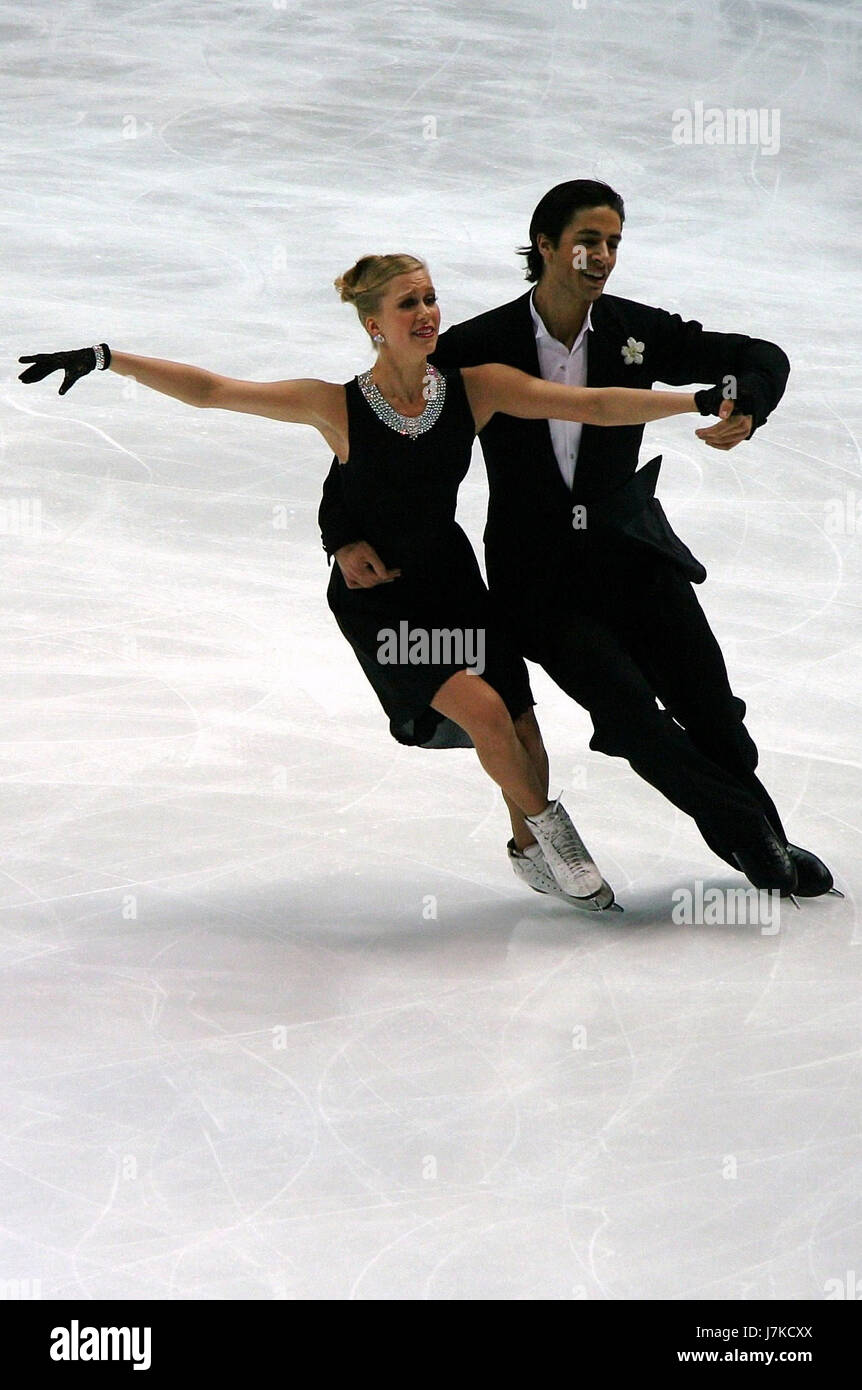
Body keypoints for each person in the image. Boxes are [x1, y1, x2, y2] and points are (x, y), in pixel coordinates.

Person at [18, 252, 733, 912]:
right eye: (406, 304)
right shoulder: (335, 406)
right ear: (373, 326)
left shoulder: (474, 390)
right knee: (484, 713)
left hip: (453, 582)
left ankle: (527, 848)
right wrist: (110, 358)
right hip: (382, 603)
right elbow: (213, 392)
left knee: (522, 727)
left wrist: (694, 401)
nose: (426, 312)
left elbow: (591, 405)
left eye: (430, 298)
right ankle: (560, 840)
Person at [318, 185, 840, 903]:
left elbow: (758, 354)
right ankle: (758, 840)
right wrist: (340, 534)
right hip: (541, 582)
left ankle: (760, 831)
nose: (602, 256)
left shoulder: (636, 331)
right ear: (544, 244)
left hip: (634, 556)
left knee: (715, 714)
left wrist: (747, 402)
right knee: (634, 718)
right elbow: (371, 443)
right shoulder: (475, 348)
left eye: (614, 242)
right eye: (588, 240)